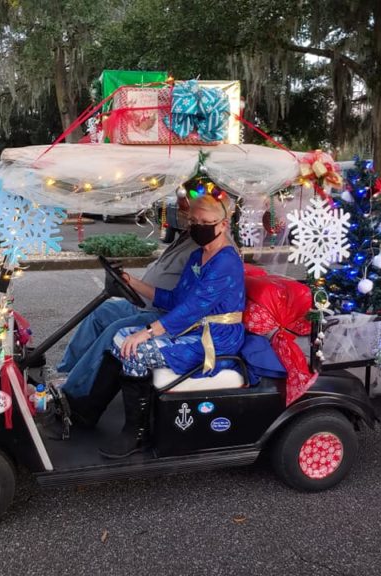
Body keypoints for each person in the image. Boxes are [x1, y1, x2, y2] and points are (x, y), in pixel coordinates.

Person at [64, 191, 246, 459]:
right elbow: (175, 299)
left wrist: (148, 332)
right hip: (193, 328)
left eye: (205, 223)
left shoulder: (226, 262)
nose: (198, 227)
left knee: (135, 347)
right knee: (122, 337)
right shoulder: (199, 256)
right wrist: (131, 282)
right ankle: (86, 410)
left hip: (214, 337)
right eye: (193, 221)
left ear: (223, 224)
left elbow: (193, 308)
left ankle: (136, 434)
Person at [55, 217, 197, 397]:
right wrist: (130, 281)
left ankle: (73, 390)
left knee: (115, 330)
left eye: (199, 217)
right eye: (190, 214)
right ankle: (65, 372)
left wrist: (150, 330)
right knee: (100, 313)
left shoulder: (208, 249)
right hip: (146, 303)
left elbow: (190, 303)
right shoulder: (186, 237)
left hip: (163, 313)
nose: (186, 214)